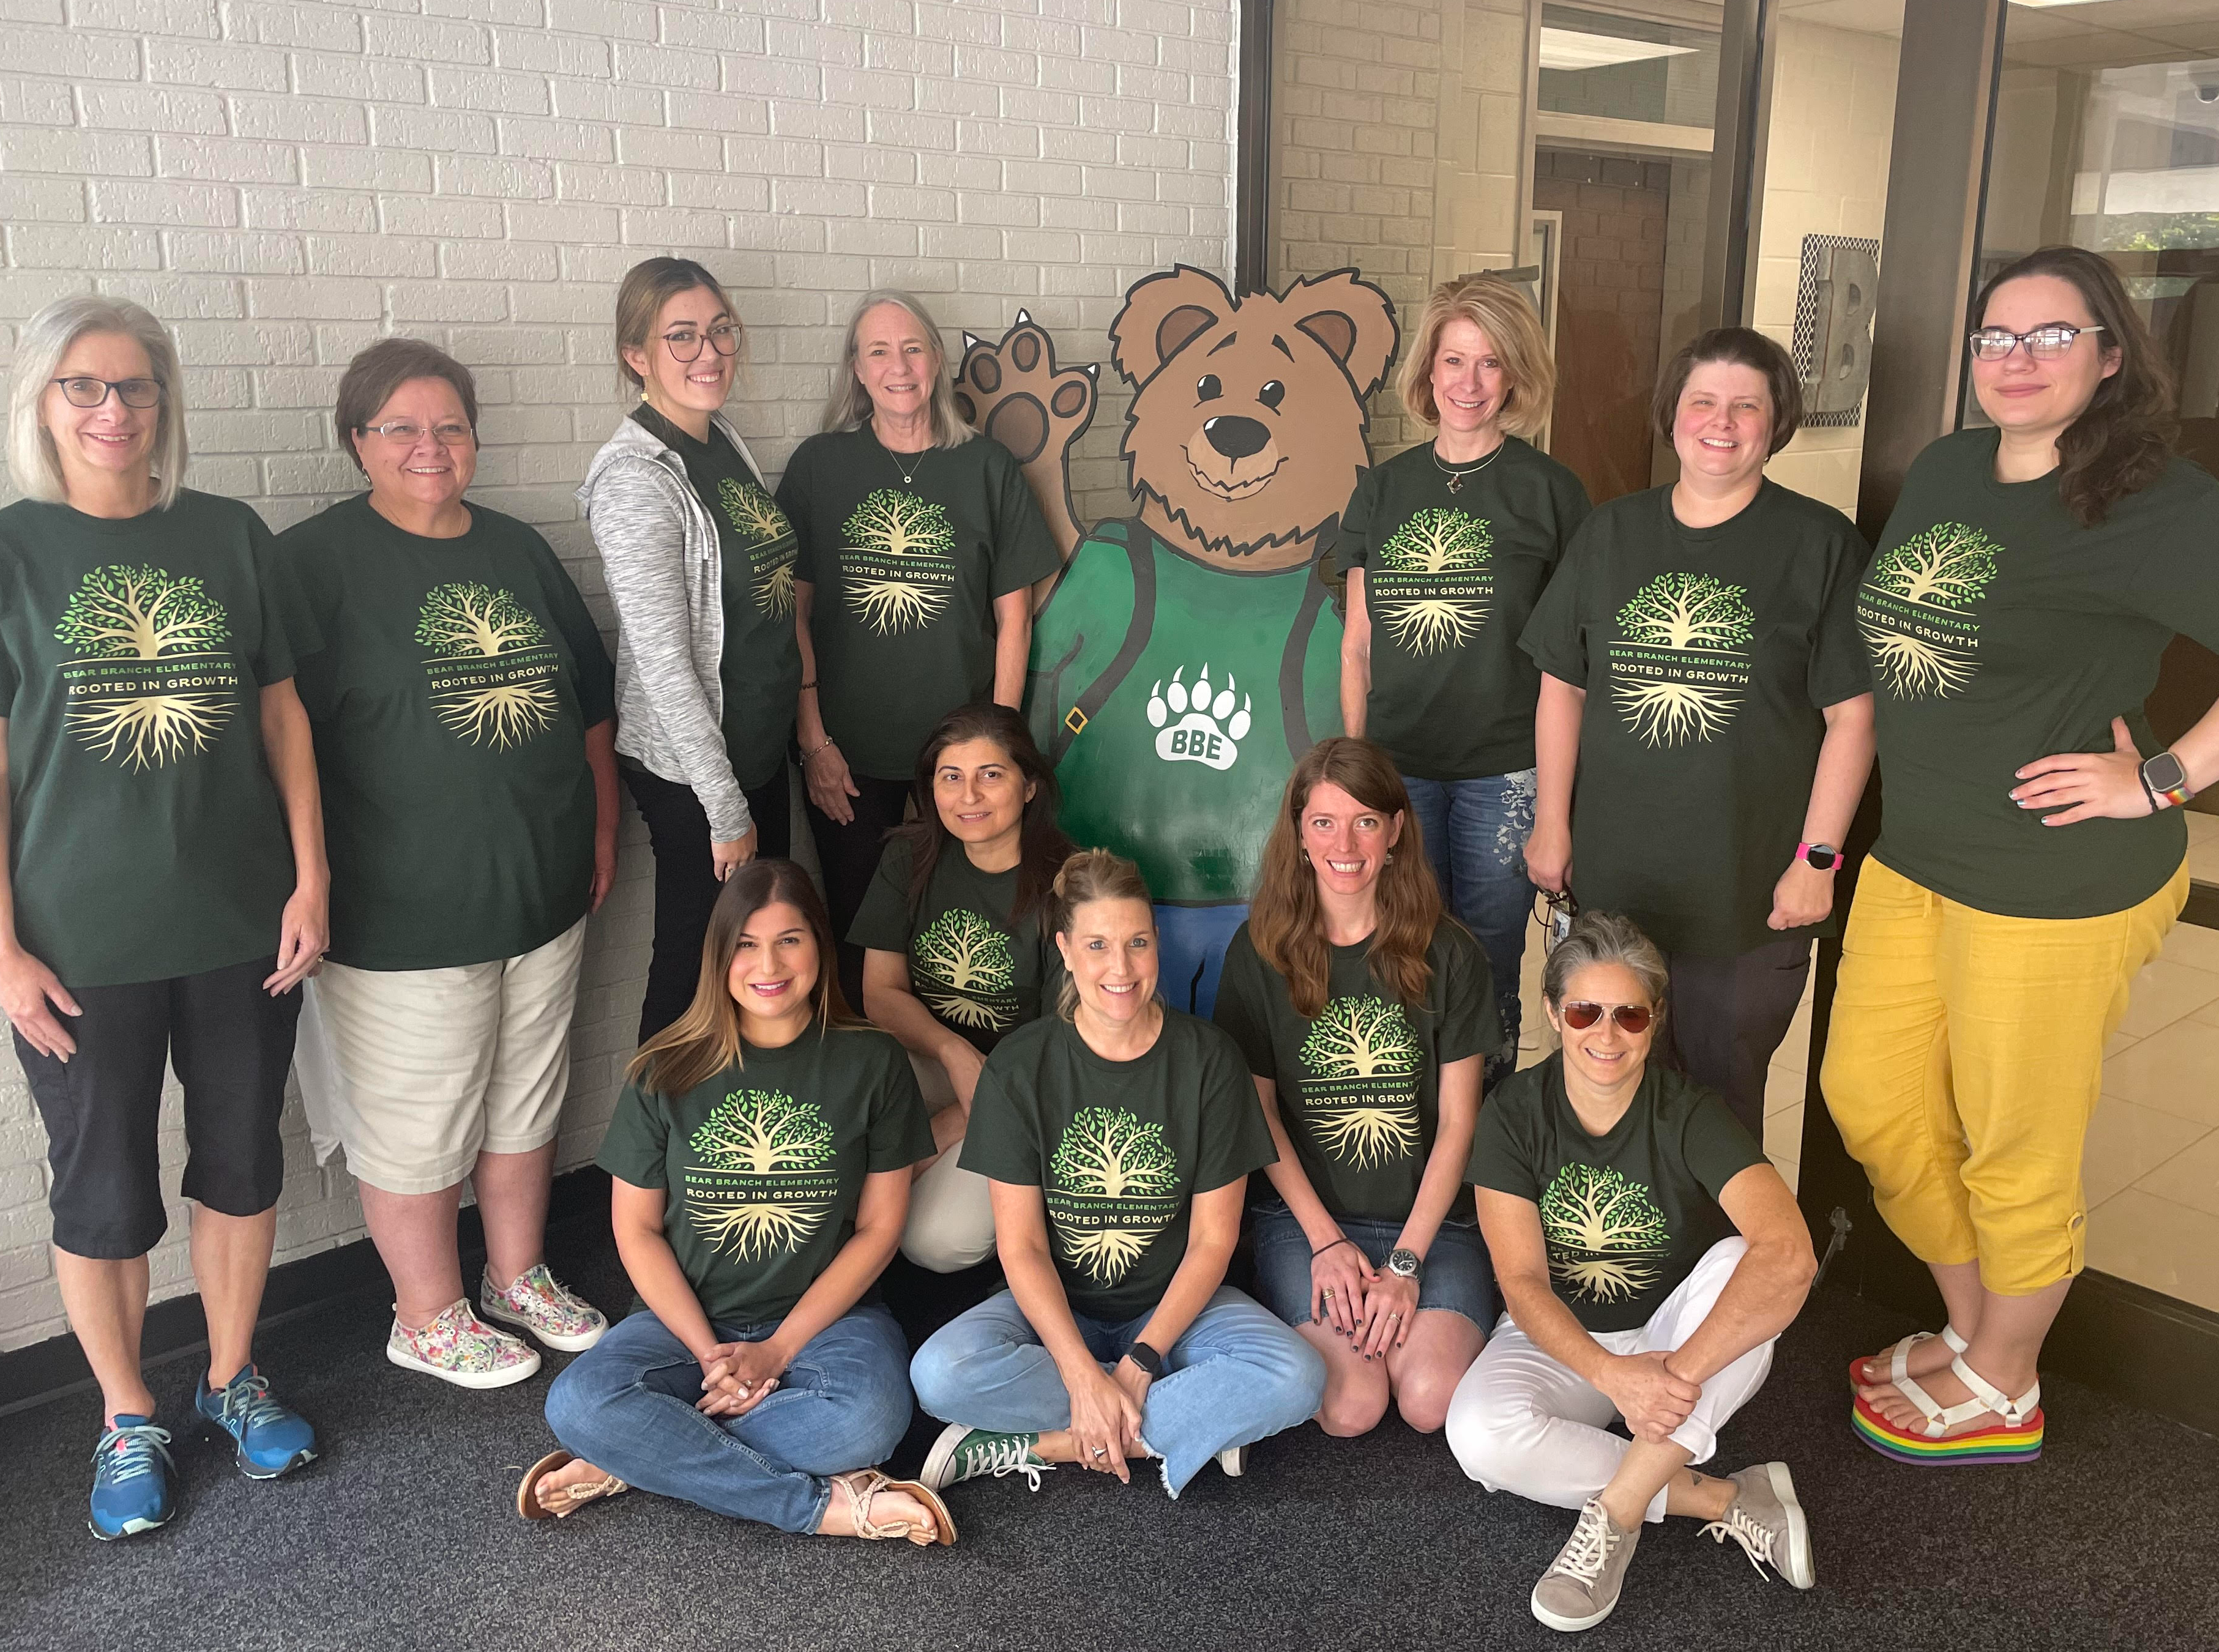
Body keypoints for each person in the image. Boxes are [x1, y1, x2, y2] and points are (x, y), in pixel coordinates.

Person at [1826, 246, 2219, 1464]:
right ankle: (1974, 1327)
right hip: (1918, 857)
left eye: (2052, 336)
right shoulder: (1946, 468)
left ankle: (2004, 1383)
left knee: (2015, 1145)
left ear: (2110, 355)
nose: (2016, 360)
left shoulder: (2157, 502)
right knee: (1874, 1106)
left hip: (2053, 885)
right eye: (1996, 338)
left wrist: (2158, 777)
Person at [0, 296, 327, 1538]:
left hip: (243, 918)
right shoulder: (11, 552)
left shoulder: (228, 535)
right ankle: (128, 1415)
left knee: (242, 1166)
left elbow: (283, 718)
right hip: (78, 943)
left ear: (163, 404)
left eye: (134, 387)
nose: (112, 410)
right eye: (84, 386)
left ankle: (234, 1378)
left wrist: (312, 876)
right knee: (101, 1189)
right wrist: (4, 949)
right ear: (44, 402)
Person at [285, 338, 619, 1389]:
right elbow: (274, 734)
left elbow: (593, 710)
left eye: (450, 428)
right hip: (400, 911)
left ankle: (518, 1275)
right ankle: (426, 1313)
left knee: (526, 1098)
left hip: (543, 890)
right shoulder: (314, 565)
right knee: (417, 1118)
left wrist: (603, 834)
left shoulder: (517, 552)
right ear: (358, 443)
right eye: (401, 429)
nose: (430, 448)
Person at [523, 860, 954, 1545]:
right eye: (747, 945)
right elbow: (635, 1231)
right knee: (575, 1401)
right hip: (683, 1319)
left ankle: (639, 1457)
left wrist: (778, 1351)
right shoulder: (662, 1068)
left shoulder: (871, 1063)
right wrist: (708, 1354)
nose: (769, 964)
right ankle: (821, 1507)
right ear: (719, 955)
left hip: (824, 1321)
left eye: (790, 939)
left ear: (819, 945)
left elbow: (877, 1230)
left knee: (870, 1420)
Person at [1521, 327, 1874, 1137]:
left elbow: (1851, 717)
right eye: (1702, 403)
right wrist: (1550, 821)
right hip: (1615, 888)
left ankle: (1719, 1263)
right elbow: (1560, 688)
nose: (1722, 422)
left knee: (1718, 1108)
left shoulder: (1819, 546)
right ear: (1670, 417)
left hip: (1746, 895)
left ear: (1775, 422)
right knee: (1605, 1094)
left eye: (1745, 406)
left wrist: (1815, 861)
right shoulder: (1609, 536)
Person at [908, 850, 1326, 1497]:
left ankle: (1050, 1444)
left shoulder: (1208, 1060)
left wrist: (1137, 1366)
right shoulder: (1020, 1067)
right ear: (1066, 950)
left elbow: (1214, 1241)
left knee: (1297, 1376)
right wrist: (1080, 1372)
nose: (1120, 968)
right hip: (1054, 1311)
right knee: (938, 1373)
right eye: (1097, 945)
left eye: (1136, 942)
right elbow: (1019, 1246)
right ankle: (1186, 1427)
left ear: (1157, 941)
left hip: (1174, 1310)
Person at [1445, 912, 1818, 1632]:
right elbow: (1521, 1282)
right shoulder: (1513, 1112)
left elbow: (1791, 1253)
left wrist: (1673, 1374)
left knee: (1754, 1273)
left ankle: (1614, 1517)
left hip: (1675, 1328)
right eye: (1585, 1011)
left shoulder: (1687, 1112)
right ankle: (1722, 1497)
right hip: (1565, 1334)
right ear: (1554, 1013)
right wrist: (1618, 1379)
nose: (1605, 1035)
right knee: (1477, 1437)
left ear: (1654, 1021)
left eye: (1629, 1015)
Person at [1335, 275, 1589, 1084]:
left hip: (1503, 772)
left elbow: (1573, 667)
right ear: (1428, 370)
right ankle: (1410, 1133)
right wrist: (1351, 775)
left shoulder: (1551, 495)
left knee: (1482, 970)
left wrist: (1556, 813)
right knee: (1400, 958)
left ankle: (1484, 1150)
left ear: (1514, 376)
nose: (1468, 383)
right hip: (1398, 770)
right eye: (1453, 360)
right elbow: (1357, 647)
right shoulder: (1381, 490)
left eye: (1488, 364)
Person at [778, 290, 1062, 1010]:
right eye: (878, 351)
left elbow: (1016, 617)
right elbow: (794, 614)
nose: (897, 366)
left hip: (958, 758)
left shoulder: (985, 467)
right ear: (856, 368)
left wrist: (993, 753)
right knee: (856, 928)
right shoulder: (819, 466)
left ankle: (959, 1066)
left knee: (965, 920)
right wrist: (812, 741)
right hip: (848, 753)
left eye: (911, 349)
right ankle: (876, 1079)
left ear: (936, 361)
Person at [1212, 737, 1498, 1439]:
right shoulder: (1258, 952)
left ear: (1396, 831)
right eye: (1323, 823)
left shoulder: (1451, 953)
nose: (1345, 843)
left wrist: (1404, 1263)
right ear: (1298, 834)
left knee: (1430, 1400)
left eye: (1365, 821)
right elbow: (1258, 1112)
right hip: (1307, 1221)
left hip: (1433, 1224)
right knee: (1349, 1406)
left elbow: (1460, 1125)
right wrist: (1324, 1243)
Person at [580, 257, 800, 1042]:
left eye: (719, 331)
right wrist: (724, 804)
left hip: (760, 750)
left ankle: (738, 1149)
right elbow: (665, 662)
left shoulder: (720, 440)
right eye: (680, 337)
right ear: (635, 355)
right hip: (697, 772)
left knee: (759, 962)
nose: (708, 352)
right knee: (695, 965)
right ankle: (647, 1162)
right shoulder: (636, 477)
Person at [848, 702, 1072, 1274]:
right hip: (925, 1061)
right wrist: (953, 1052)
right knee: (829, 1161)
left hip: (1023, 1087)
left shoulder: (1066, 880)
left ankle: (1033, 1226)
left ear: (1028, 787)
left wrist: (947, 1127)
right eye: (951, 777)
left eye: (990, 775)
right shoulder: (910, 853)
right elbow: (880, 992)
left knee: (935, 1239)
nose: (967, 796)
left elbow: (1059, 1047)